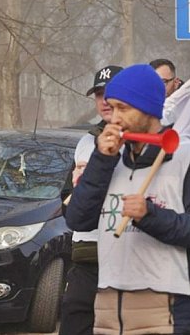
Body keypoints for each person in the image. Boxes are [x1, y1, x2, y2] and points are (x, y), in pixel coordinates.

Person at [65, 64, 190, 334]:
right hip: (109, 303)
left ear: (148, 107)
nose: (114, 118)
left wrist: (150, 216)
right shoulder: (108, 157)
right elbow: (78, 219)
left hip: (165, 304)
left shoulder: (189, 157)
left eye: (123, 108)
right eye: (112, 108)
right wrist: (101, 161)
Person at [59, 65, 122, 335]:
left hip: (125, 258)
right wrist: (77, 191)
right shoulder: (86, 141)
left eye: (110, 93)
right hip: (85, 255)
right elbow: (66, 200)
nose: (104, 101)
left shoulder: (142, 141)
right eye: (98, 94)